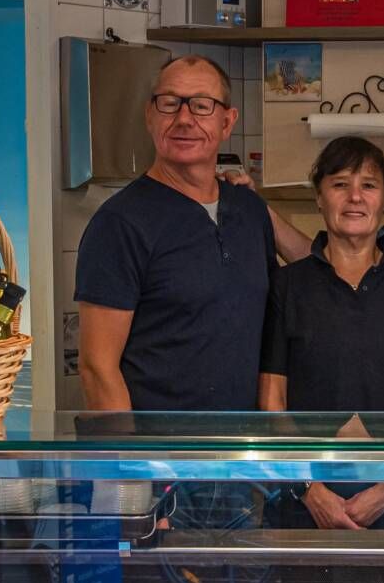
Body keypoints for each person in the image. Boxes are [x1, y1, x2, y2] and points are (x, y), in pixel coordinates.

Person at [259, 136, 384, 529]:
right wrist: (308, 488)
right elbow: (272, 399)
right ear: (319, 197)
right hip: (301, 504)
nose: (354, 197)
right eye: (339, 184)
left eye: (368, 185)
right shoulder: (287, 286)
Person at [74, 54, 277, 412]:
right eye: (169, 104)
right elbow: (97, 369)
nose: (184, 119)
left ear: (228, 122)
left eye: (202, 106)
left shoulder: (249, 211)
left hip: (242, 454)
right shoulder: (120, 224)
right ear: (149, 116)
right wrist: (131, 466)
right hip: (158, 457)